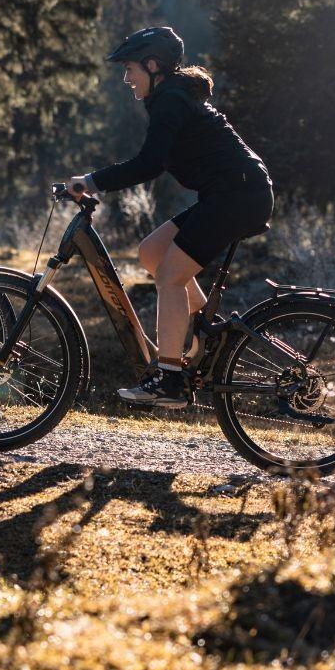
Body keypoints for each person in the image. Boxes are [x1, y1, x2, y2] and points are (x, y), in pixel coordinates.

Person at [68, 26, 273, 409]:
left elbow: (149, 164)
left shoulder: (171, 101)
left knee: (169, 276)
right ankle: (200, 331)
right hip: (233, 193)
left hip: (239, 196)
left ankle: (171, 380)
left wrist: (93, 181)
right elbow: (154, 162)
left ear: (152, 65)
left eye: (130, 69)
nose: (126, 78)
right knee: (151, 253)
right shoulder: (170, 97)